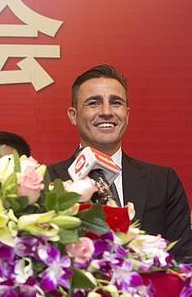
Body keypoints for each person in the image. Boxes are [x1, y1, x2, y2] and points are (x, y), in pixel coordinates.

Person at [47, 64, 192, 261]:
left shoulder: (163, 181)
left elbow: (183, 258)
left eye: (116, 103)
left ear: (127, 114)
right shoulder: (47, 181)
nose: (106, 111)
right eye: (93, 103)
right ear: (73, 115)